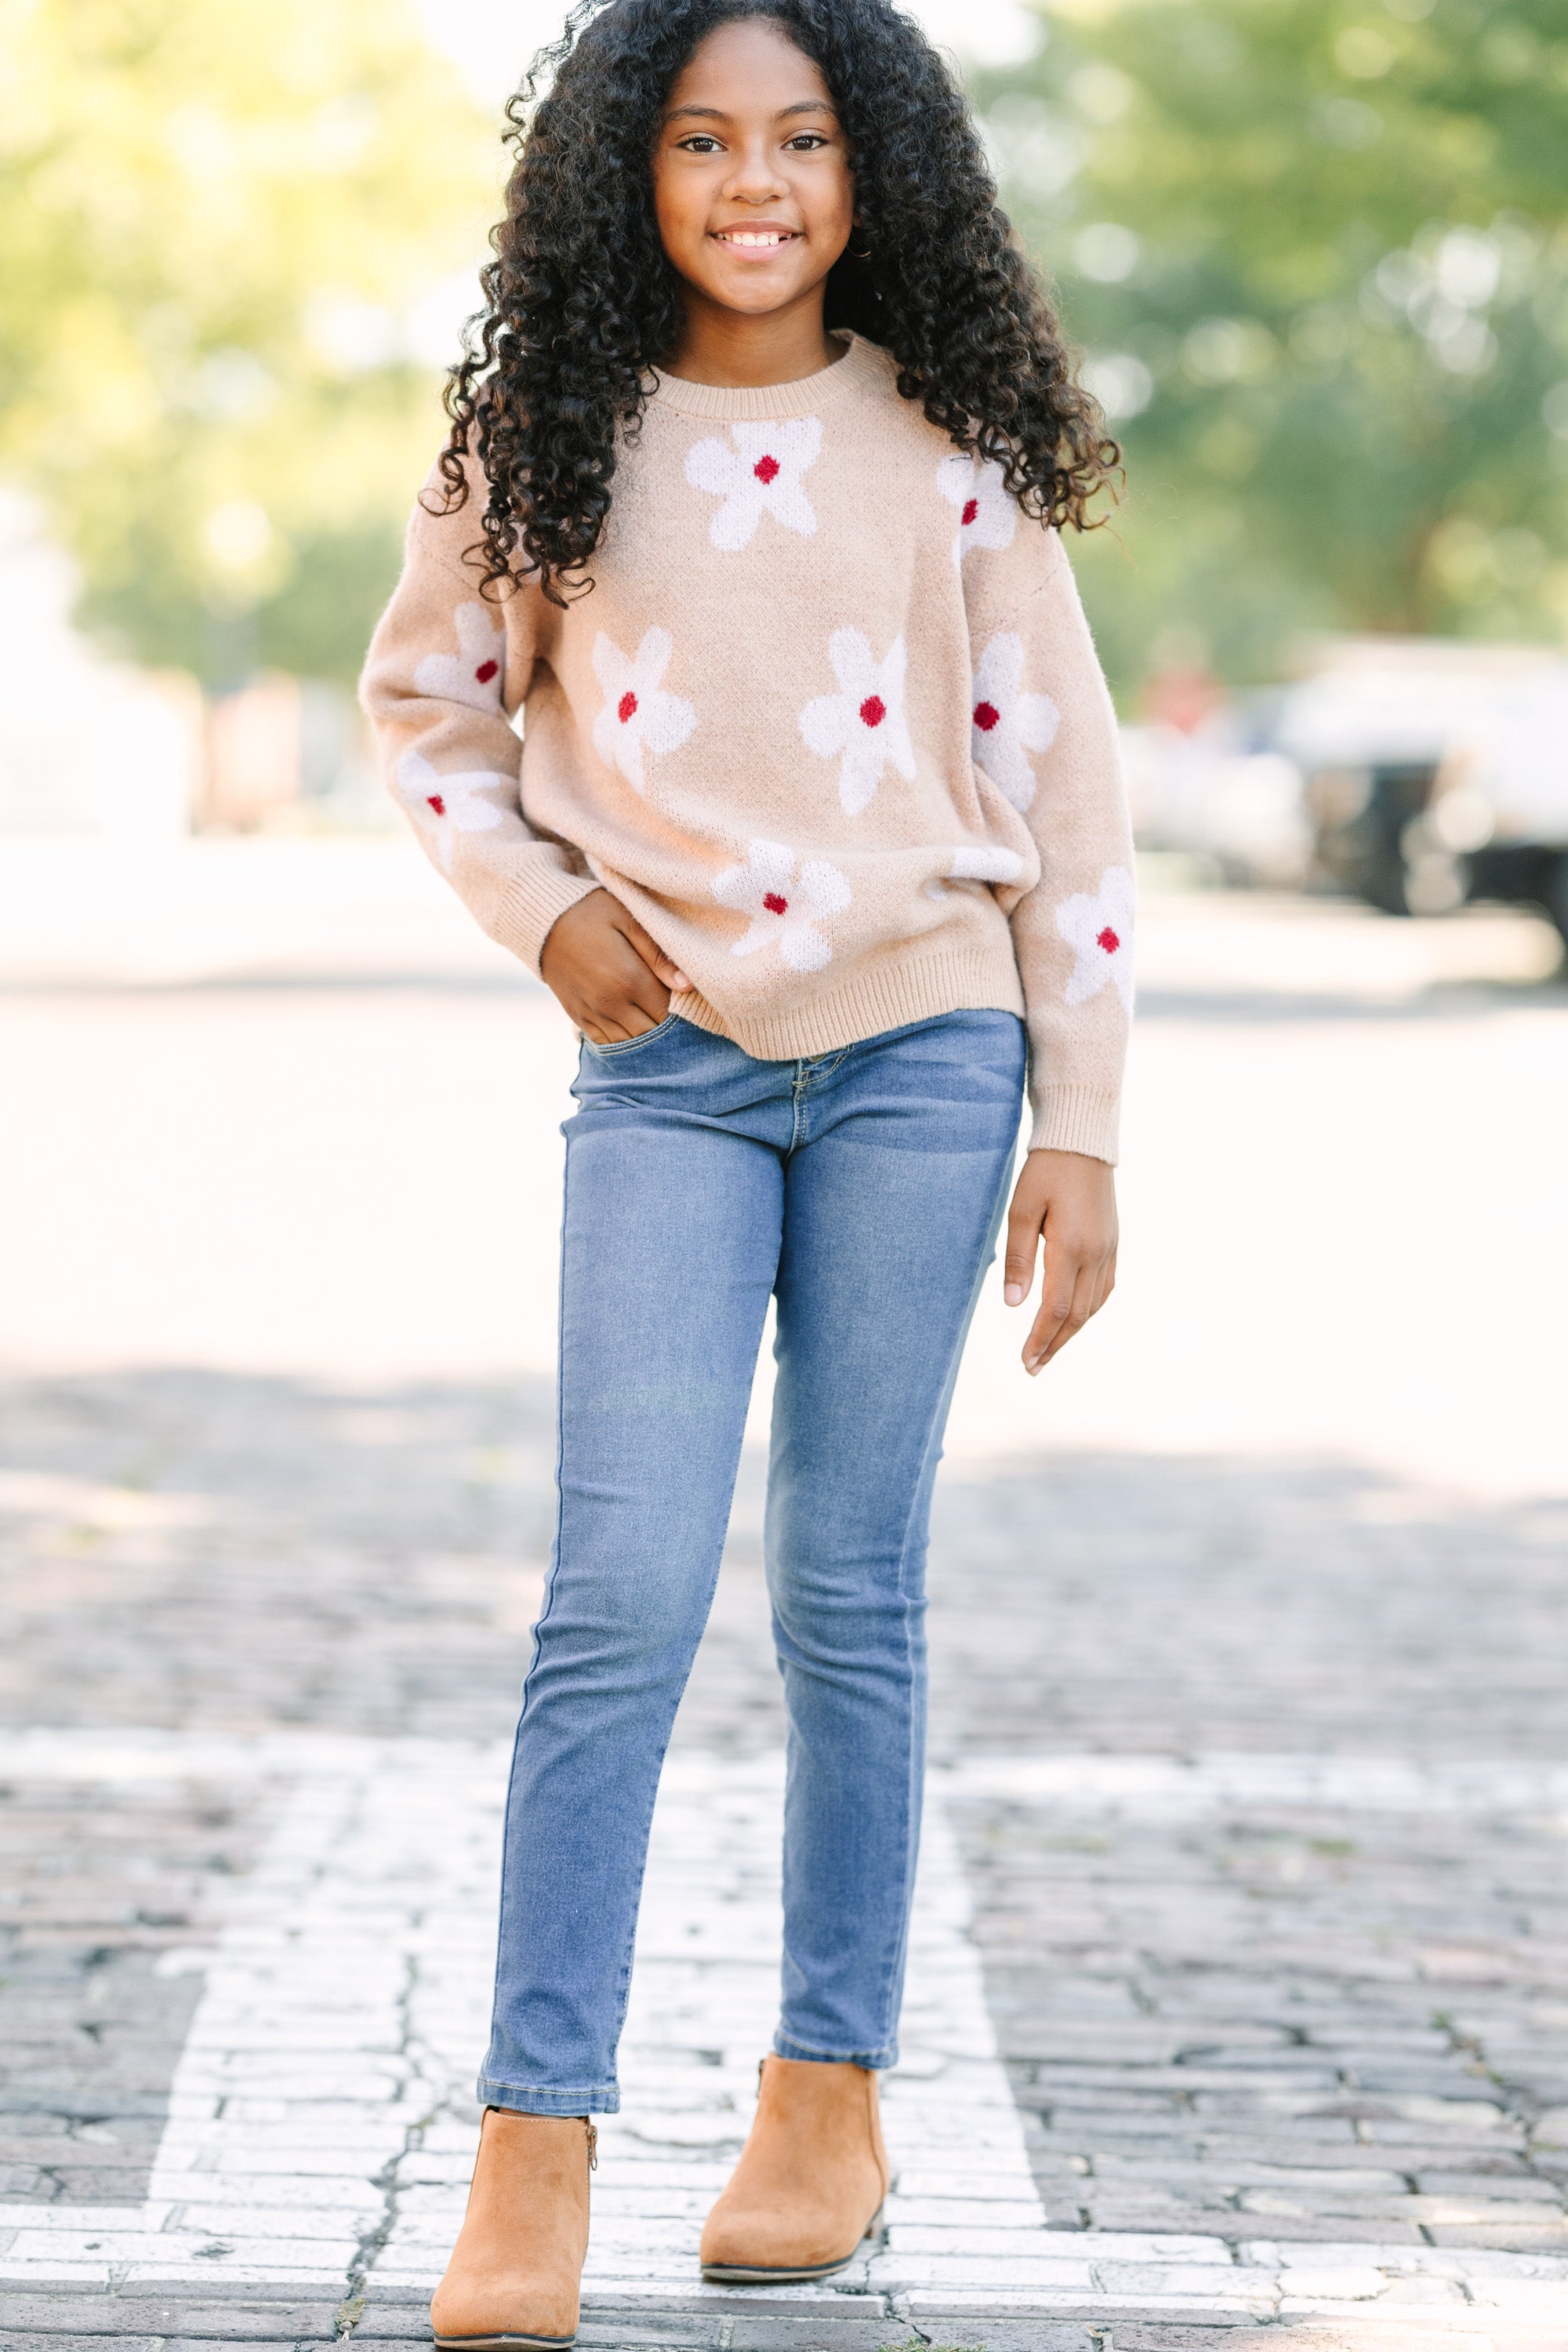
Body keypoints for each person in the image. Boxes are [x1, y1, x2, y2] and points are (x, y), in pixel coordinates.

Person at [361, 2, 1131, 2342]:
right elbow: (425, 710)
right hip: (672, 1069)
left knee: (849, 1593)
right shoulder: (537, 432)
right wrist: (546, 912)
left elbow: (1069, 799)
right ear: (631, 171)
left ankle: (825, 2097)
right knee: (616, 1594)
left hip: (925, 1051)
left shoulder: (953, 450)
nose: (755, 180)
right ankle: (535, 2150)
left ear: (875, 166)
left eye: (801, 136)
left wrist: (1081, 1116)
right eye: (702, 139)